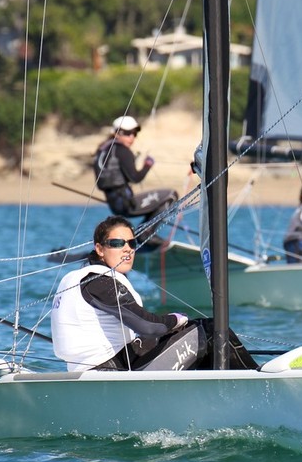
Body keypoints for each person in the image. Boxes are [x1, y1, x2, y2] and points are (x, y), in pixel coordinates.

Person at [51, 216, 201, 371]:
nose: (127, 249)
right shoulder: (99, 281)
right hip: (108, 370)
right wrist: (177, 319)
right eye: (117, 243)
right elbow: (148, 326)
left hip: (85, 369)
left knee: (162, 338)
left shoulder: (76, 277)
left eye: (132, 243)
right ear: (100, 249)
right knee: (204, 330)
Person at [94, 116, 178, 238]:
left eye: (134, 133)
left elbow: (111, 176)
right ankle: (145, 232)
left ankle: (143, 232)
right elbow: (135, 178)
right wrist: (147, 165)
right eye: (128, 133)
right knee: (171, 194)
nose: (132, 137)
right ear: (117, 133)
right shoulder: (122, 150)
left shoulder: (102, 150)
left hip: (114, 205)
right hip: (127, 205)